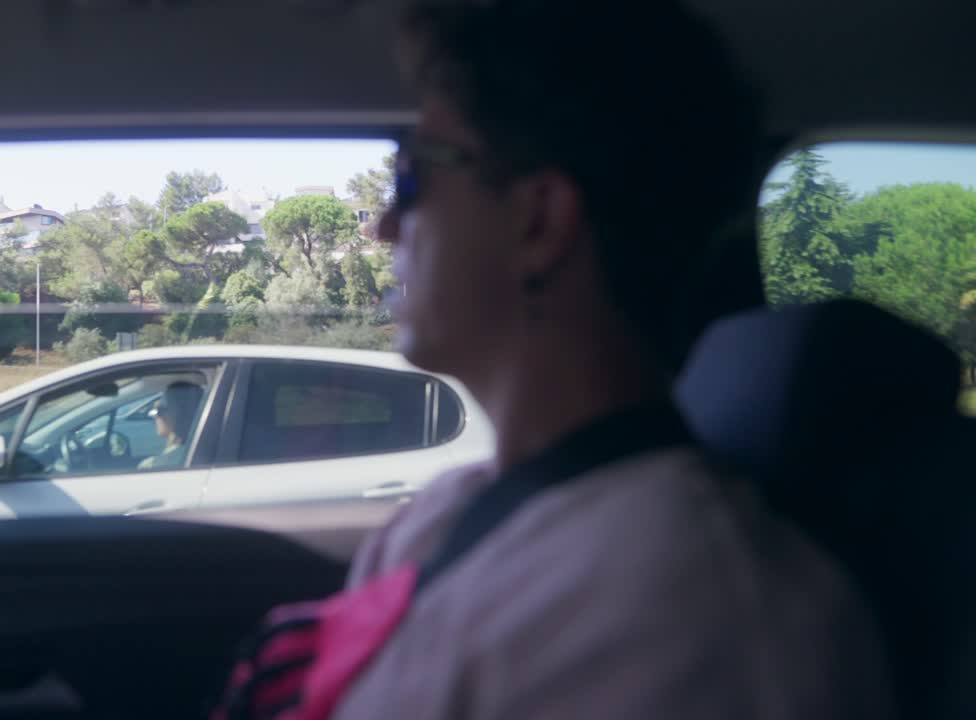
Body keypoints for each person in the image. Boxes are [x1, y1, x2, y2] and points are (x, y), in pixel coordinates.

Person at [319, 0, 894, 718]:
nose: (384, 226)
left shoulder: (683, 616)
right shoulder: (452, 509)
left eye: (412, 177)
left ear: (539, 221)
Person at [138, 381, 202, 471]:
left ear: (179, 413)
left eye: (159, 409)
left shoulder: (153, 466)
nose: (155, 415)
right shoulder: (196, 450)